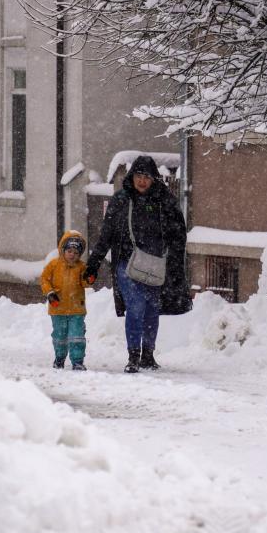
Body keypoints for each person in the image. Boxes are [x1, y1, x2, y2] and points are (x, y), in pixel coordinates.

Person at [84, 155, 192, 373]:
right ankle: (133, 356)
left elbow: (178, 235)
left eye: (147, 177)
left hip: (155, 265)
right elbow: (106, 235)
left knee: (152, 310)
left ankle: (148, 355)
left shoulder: (164, 201)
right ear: (132, 176)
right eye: (139, 176)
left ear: (154, 179)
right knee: (136, 307)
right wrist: (93, 265)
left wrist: (173, 264)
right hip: (127, 264)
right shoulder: (121, 200)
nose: (142, 181)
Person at [40, 230, 92, 371]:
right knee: (60, 336)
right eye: (69, 251)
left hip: (77, 309)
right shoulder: (53, 265)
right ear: (63, 250)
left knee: (77, 336)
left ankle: (77, 361)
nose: (72, 255)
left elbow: (85, 283)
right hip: (57, 308)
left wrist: (89, 278)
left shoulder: (81, 267)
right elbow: (44, 279)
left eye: (76, 253)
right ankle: (59, 358)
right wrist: (50, 293)